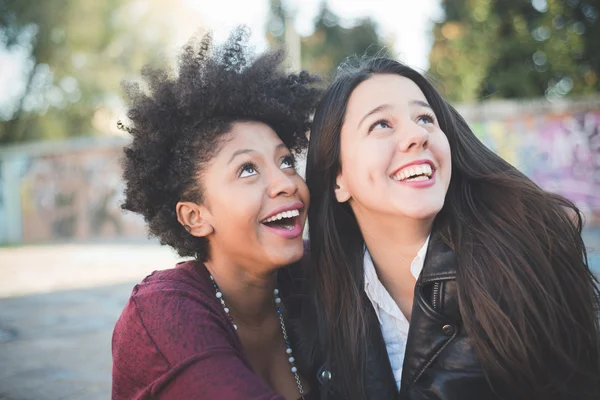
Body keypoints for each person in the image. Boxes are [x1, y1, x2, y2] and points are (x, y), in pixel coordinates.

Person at [300, 56, 600, 400]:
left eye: (425, 118)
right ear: (338, 180)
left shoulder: (521, 267)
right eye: (381, 124)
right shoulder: (315, 303)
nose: (417, 134)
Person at [111, 28, 322, 400]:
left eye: (286, 161)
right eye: (247, 169)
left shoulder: (312, 279)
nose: (286, 183)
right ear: (195, 216)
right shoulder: (162, 313)